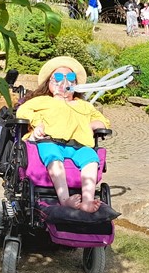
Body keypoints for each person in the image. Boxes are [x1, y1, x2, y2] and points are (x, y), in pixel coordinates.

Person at [16, 56, 110, 214]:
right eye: (58, 77)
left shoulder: (84, 106)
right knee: (54, 158)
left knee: (91, 159)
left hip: (79, 145)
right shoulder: (43, 101)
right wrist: (37, 123)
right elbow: (23, 110)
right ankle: (65, 200)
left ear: (76, 84)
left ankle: (87, 201)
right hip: (50, 141)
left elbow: (103, 121)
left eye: (70, 77)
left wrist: (93, 125)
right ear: (50, 83)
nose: (64, 81)